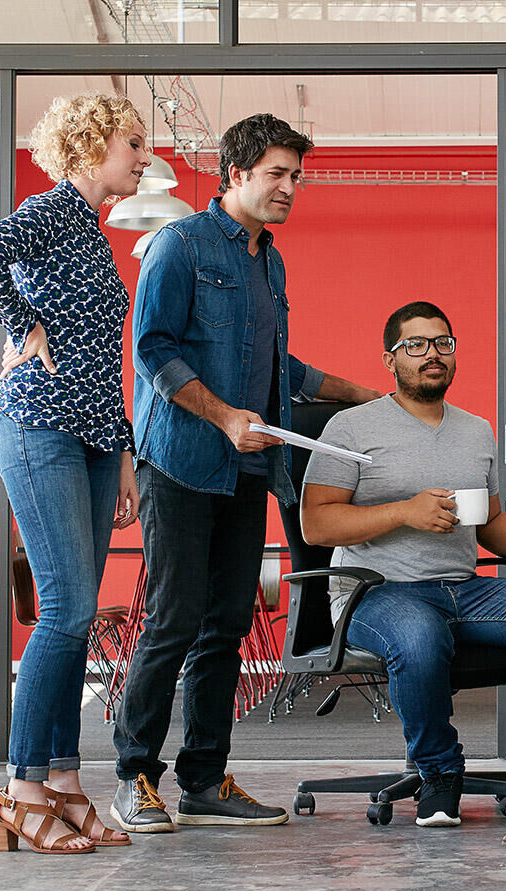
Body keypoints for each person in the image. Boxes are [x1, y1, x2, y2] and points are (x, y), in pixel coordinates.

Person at [111, 113, 381, 833]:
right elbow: (153, 349)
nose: (291, 188)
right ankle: (134, 775)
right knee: (172, 622)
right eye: (277, 175)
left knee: (227, 627)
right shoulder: (179, 245)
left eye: (297, 176)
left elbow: (277, 365)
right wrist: (226, 415)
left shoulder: (269, 260)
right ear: (235, 175)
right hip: (182, 463)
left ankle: (203, 779)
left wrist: (359, 393)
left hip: (250, 474)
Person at [0, 93, 149, 855]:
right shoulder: (53, 210)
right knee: (68, 611)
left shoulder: (94, 234)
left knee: (75, 618)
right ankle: (20, 789)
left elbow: (108, 362)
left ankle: (65, 781)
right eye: (133, 143)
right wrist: (20, 323)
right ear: (92, 144)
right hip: (38, 425)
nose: (143, 157)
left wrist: (127, 452)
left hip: (98, 437)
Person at [300, 301, 506, 828]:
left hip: (464, 587)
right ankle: (439, 773)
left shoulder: (476, 431)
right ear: (390, 360)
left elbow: (489, 522)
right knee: (419, 637)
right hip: (376, 591)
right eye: (416, 345)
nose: (432, 354)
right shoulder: (350, 427)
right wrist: (404, 512)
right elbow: (316, 525)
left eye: (442, 343)